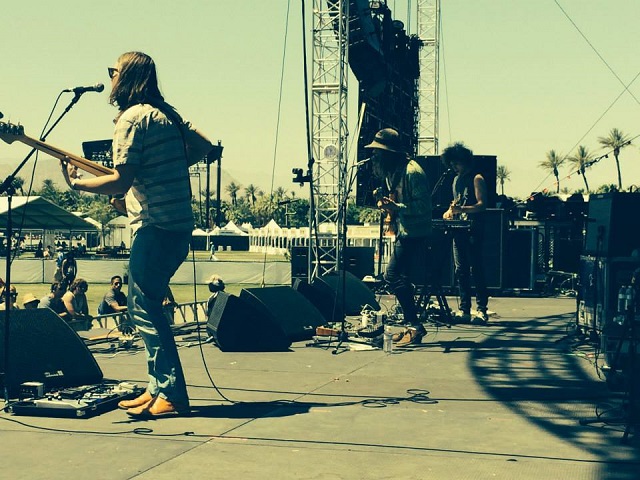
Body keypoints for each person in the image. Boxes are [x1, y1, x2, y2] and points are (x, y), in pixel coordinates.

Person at [61, 51, 213, 418]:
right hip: (176, 225)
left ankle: (171, 393)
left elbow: (121, 179)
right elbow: (205, 147)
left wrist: (77, 185)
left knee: (145, 309)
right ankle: (157, 387)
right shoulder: (167, 116)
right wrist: (166, 169)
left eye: (113, 71)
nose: (110, 77)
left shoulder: (131, 118)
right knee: (143, 307)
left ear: (126, 77)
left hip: (155, 227)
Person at [364, 128, 432, 346]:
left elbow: (423, 207)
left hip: (414, 231)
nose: (375, 156)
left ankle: (414, 325)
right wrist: (386, 204)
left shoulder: (413, 172)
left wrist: (397, 207)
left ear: (390, 153)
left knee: (391, 274)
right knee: (400, 277)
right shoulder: (395, 172)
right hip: (405, 229)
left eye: (378, 153)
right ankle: (411, 325)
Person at [441, 142, 490, 325]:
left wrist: (462, 209)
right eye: (451, 164)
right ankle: (464, 309)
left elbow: (481, 205)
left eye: (456, 163)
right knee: (460, 270)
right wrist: (449, 211)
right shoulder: (455, 180)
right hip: (458, 229)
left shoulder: (477, 178)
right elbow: (455, 203)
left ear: (464, 161)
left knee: (475, 268)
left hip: (473, 229)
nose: (454, 167)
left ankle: (481, 309)